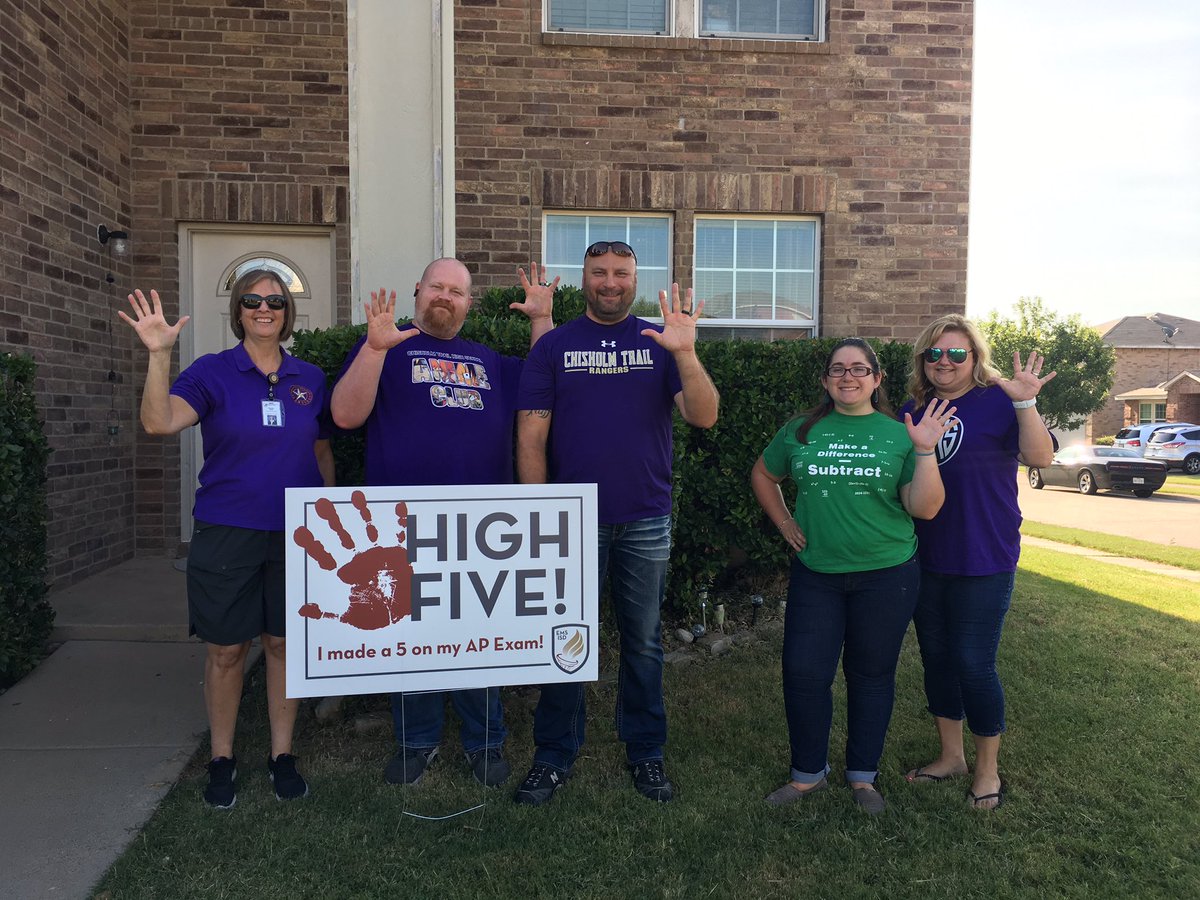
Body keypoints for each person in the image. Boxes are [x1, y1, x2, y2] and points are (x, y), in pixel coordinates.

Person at [330, 257, 553, 788]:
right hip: (400, 526)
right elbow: (344, 415)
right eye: (438, 286)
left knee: (478, 635)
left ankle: (485, 741)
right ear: (418, 290)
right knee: (411, 636)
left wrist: (541, 320)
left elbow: (548, 381)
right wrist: (373, 348)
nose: (445, 297)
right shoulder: (386, 348)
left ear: (469, 304)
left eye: (457, 291)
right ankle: (416, 740)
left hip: (479, 530)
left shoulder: (492, 363)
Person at [514, 239, 720, 805]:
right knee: (566, 641)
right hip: (570, 520)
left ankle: (646, 752)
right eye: (599, 272)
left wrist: (685, 353)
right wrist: (539, 514)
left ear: (636, 278)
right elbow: (531, 436)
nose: (610, 282)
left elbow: (704, 417)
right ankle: (554, 755)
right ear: (584, 278)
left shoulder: (660, 342)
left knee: (644, 642)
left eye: (621, 273)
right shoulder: (553, 346)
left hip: (645, 517)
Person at [120, 269, 335, 808]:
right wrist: (158, 354)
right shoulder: (211, 373)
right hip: (227, 529)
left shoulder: (310, 377)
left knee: (284, 644)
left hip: (297, 533)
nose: (265, 308)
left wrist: (329, 514)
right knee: (226, 651)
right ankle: (222, 758)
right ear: (238, 311)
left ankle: (281, 755)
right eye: (252, 300)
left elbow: (322, 451)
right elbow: (159, 422)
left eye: (275, 300)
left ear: (288, 312)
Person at [750, 338, 955, 814]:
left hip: (887, 574)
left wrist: (925, 451)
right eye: (838, 369)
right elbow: (763, 475)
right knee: (804, 673)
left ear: (877, 380)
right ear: (825, 380)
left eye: (860, 369)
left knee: (871, 675)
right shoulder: (799, 431)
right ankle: (806, 776)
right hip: (817, 574)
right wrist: (784, 522)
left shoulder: (901, 435)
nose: (848, 376)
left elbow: (924, 509)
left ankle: (863, 776)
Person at [899, 314, 1055, 810]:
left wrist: (1025, 401)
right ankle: (951, 757)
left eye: (957, 354)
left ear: (975, 358)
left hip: (986, 555)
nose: (944, 362)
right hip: (925, 556)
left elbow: (1041, 458)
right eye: (935, 354)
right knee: (937, 659)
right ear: (924, 360)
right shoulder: (914, 408)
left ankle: (987, 770)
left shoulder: (999, 402)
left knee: (973, 661)